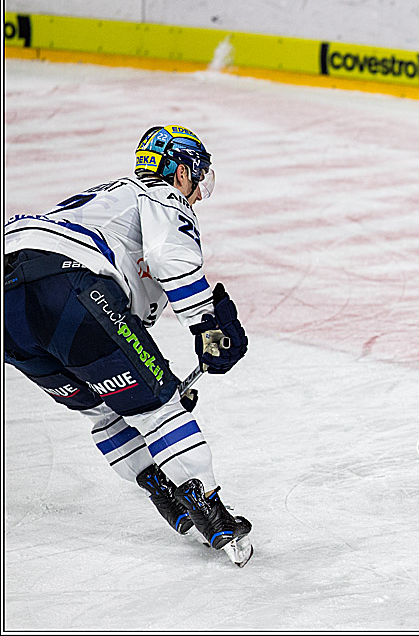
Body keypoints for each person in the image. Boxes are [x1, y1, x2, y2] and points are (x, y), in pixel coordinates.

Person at [4, 125, 252, 563]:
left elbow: (122, 318)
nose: (196, 194)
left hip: (11, 307)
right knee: (155, 405)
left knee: (105, 403)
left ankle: (157, 485)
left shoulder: (105, 204)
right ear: (179, 172)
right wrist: (206, 324)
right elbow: (168, 256)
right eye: (197, 179)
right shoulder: (158, 194)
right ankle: (211, 512)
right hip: (66, 284)